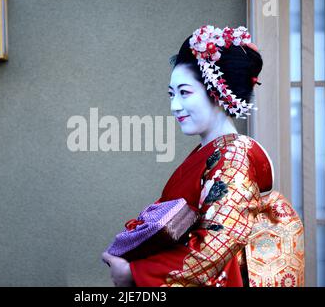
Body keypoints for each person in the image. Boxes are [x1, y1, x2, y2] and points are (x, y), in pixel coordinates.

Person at [102, 25, 304, 287]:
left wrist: (136, 273)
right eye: (171, 94)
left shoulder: (235, 155)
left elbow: (216, 245)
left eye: (185, 92)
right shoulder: (210, 151)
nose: (175, 106)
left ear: (217, 93)